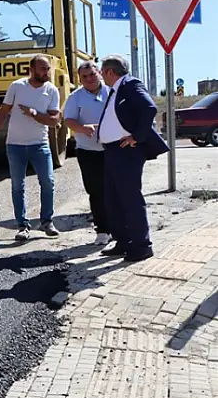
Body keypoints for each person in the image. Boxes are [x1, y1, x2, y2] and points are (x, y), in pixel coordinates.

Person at [97, 54, 169, 261]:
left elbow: (149, 108)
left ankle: (141, 245)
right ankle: (123, 242)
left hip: (126, 151)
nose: (101, 76)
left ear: (110, 72)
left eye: (102, 72)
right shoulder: (116, 89)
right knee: (112, 200)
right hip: (112, 151)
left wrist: (137, 136)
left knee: (130, 199)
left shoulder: (130, 84)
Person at [0, 54, 61, 241]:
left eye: (48, 68)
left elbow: (54, 120)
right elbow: (3, 112)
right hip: (15, 146)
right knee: (18, 186)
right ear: (31, 70)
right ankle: (22, 226)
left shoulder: (51, 91)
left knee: (48, 182)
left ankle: (47, 222)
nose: (47, 72)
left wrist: (34, 114)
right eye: (43, 68)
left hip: (40, 145)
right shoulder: (17, 87)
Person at [63, 60, 112, 246]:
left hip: (112, 150)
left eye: (92, 74)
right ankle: (102, 230)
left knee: (114, 190)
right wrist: (83, 128)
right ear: (80, 79)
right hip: (88, 152)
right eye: (85, 77)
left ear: (99, 73)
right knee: (96, 192)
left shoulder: (111, 92)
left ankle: (118, 229)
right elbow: (68, 120)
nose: (89, 79)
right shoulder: (75, 97)